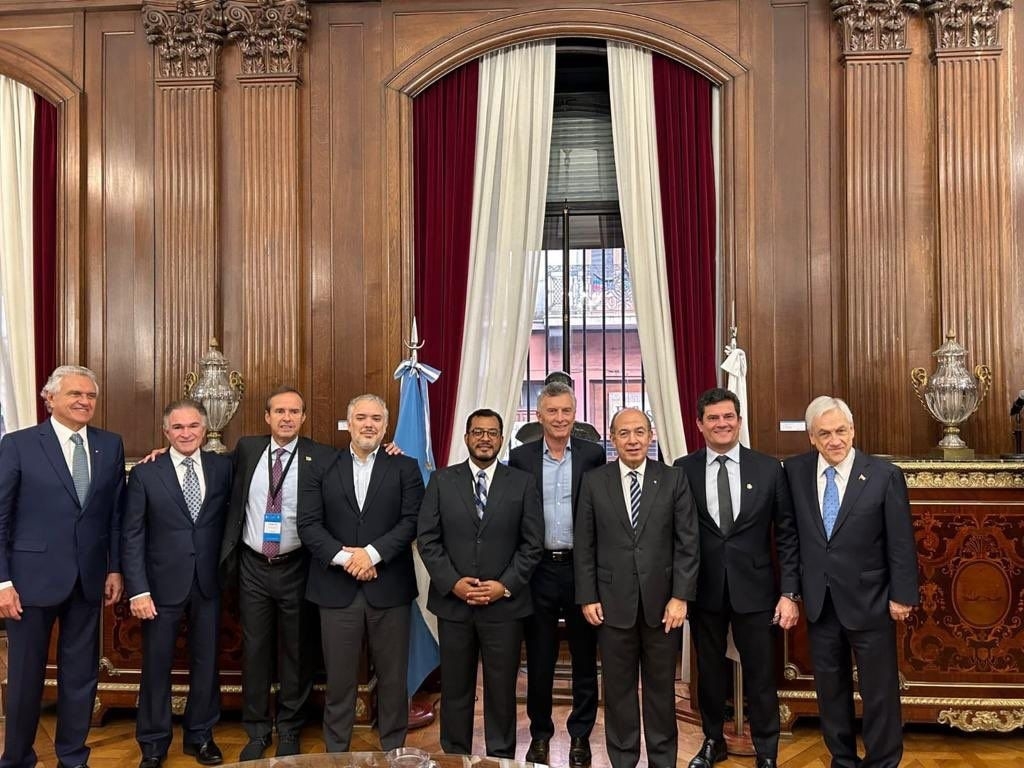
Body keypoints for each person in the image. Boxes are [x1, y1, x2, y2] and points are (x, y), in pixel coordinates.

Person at [0, 365, 125, 768]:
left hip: (88, 579)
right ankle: (17, 758)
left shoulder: (110, 445)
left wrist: (114, 568)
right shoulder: (18, 444)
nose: (84, 401)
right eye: (75, 394)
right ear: (49, 398)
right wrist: (2, 581)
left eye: (90, 395)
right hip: (29, 581)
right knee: (25, 677)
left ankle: (73, 757)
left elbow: (115, 515)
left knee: (81, 675)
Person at [785, 396, 919, 768]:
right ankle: (842, 760)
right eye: (825, 434)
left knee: (879, 691)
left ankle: (883, 762)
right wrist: (791, 591)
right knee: (830, 690)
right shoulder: (794, 472)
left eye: (841, 431)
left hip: (871, 600)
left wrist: (902, 595)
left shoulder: (883, 475)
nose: (835, 440)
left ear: (853, 430)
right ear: (812, 437)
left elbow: (900, 541)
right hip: (820, 601)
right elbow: (789, 537)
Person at [673, 388, 800, 768]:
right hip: (704, 589)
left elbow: (786, 535)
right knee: (710, 674)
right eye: (713, 418)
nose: (722, 424)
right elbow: (675, 534)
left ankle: (766, 751)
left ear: (740, 421)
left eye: (728, 416)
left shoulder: (768, 469)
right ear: (699, 424)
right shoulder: (682, 469)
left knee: (761, 675)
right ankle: (713, 741)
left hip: (757, 590)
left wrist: (789, 592)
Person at [298, 394, 424, 752]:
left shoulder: (405, 467)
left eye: (376, 419)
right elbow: (308, 524)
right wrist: (348, 559)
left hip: (390, 589)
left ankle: (394, 752)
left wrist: (371, 555)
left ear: (385, 426)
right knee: (339, 683)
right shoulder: (321, 466)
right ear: (349, 423)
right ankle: (336, 755)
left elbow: (412, 521)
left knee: (393, 680)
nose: (369, 424)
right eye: (362, 418)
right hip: (335, 589)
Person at [574, 407, 699, 768]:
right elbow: (585, 544)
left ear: (651, 435)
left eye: (639, 432)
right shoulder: (594, 481)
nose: (632, 440)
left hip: (664, 606)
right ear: (612, 439)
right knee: (618, 692)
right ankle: (623, 759)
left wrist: (680, 596)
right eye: (624, 433)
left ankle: (663, 761)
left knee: (661, 692)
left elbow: (688, 542)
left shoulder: (673, 479)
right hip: (611, 604)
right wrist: (587, 596)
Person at [416, 408, 544, 758]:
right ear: (467, 437)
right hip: (454, 604)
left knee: (501, 691)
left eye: (491, 433)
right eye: (478, 432)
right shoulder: (442, 480)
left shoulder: (522, 483)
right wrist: (453, 582)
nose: (485, 438)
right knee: (456, 688)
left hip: (505, 607)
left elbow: (532, 544)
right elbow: (427, 539)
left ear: (501, 439)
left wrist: (504, 585)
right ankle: (454, 757)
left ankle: (500, 758)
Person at [221, 387, 336, 760]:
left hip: (297, 565)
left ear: (303, 417)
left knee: (296, 651)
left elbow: (357, 468)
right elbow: (213, 470)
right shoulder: (247, 449)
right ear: (267, 417)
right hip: (252, 566)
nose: (287, 418)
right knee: (254, 650)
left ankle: (289, 728)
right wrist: (162, 453)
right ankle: (256, 731)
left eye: (294, 411)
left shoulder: (321, 456)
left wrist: (390, 451)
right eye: (280, 411)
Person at [122, 400, 233, 768]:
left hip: (208, 583)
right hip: (159, 586)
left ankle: (201, 736)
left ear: (205, 429)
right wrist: (138, 589)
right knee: (156, 666)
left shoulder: (223, 467)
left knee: (207, 663)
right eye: (178, 427)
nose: (186, 433)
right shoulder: (145, 473)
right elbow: (132, 534)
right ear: (165, 432)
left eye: (193, 426)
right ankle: (153, 745)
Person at [508, 381, 606, 767]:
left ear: (575, 413)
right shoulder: (520, 458)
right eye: (552, 411)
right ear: (539, 416)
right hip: (538, 570)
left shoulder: (593, 455)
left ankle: (580, 735)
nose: (560, 418)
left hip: (581, 569)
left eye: (566, 411)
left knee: (584, 656)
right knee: (540, 657)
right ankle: (540, 735)